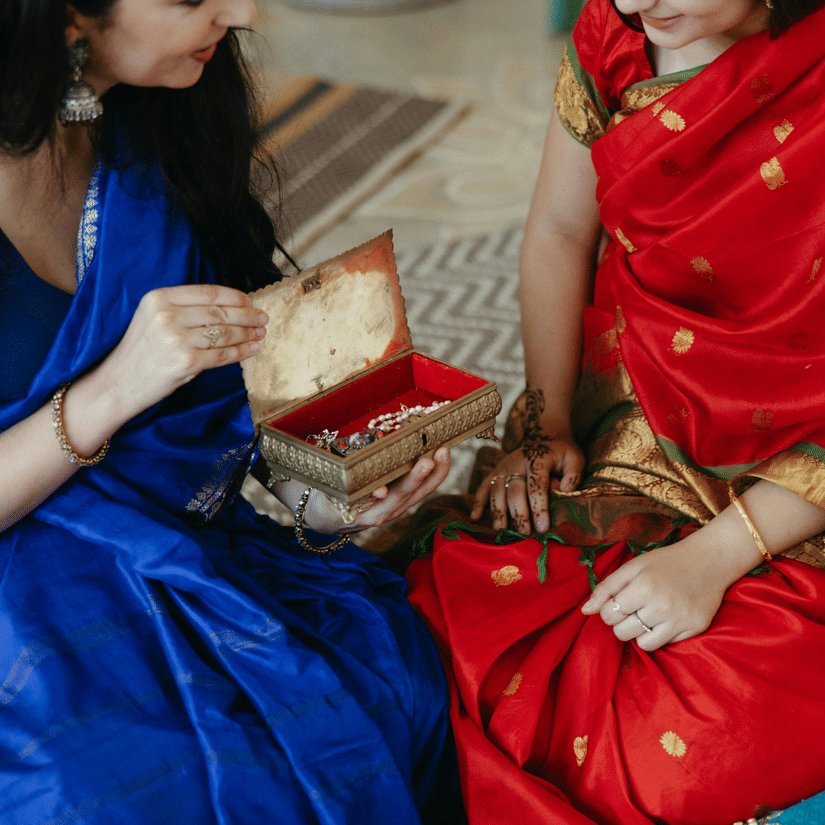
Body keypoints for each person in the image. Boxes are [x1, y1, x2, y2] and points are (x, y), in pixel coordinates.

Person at [0, 1, 460, 822]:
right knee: (120, 786)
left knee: (397, 675)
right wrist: (111, 390)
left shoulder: (161, 122)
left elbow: (218, 402)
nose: (242, 11)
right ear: (67, 14)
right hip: (23, 579)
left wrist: (323, 495)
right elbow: (144, 387)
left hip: (174, 535)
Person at [404, 1, 825, 823]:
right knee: (440, 620)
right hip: (648, 411)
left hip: (801, 485)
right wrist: (546, 422)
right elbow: (560, 231)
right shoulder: (613, 35)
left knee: (681, 750)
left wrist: (712, 559)